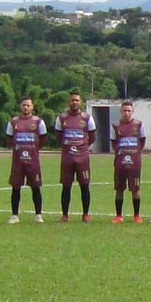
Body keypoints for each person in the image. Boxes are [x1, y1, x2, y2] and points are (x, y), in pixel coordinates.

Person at [55, 92, 97, 222]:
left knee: (84, 185)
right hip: (67, 157)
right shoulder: (62, 118)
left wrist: (82, 147)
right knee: (66, 186)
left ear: (80, 102)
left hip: (82, 158)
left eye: (77, 100)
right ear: (69, 101)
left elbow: (92, 136)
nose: (74, 102)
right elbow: (58, 136)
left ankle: (85, 214)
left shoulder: (87, 118)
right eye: (72, 100)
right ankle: (65, 214)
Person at [7, 98, 47, 224]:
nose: (25, 107)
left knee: (36, 187)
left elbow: (43, 139)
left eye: (28, 105)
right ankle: (14, 215)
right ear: (20, 106)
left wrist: (34, 149)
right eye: (24, 105)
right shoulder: (13, 122)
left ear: (32, 107)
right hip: (18, 161)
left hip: (33, 161)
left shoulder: (39, 122)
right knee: (16, 188)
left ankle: (38, 215)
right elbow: (9, 140)